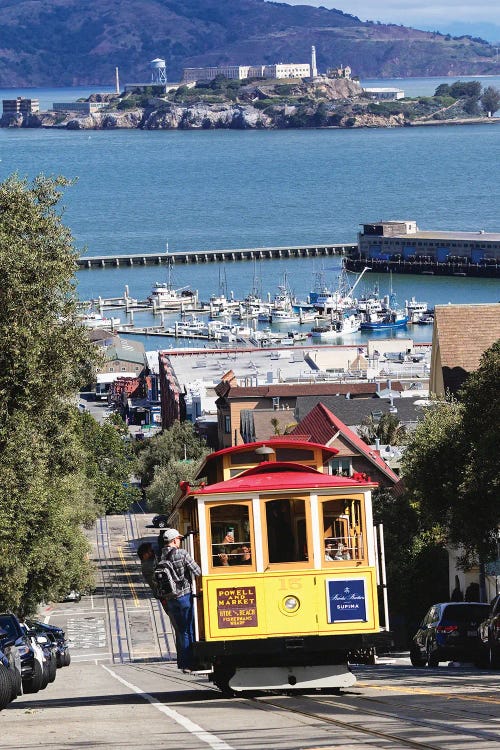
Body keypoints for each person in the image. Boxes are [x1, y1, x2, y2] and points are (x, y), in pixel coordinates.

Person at [160, 528, 201, 671]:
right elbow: (197, 571)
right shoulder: (182, 554)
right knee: (188, 630)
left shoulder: (162, 557)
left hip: (171, 599)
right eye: (179, 539)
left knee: (181, 631)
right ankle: (190, 663)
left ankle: (183, 663)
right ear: (175, 540)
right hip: (184, 596)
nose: (180, 541)